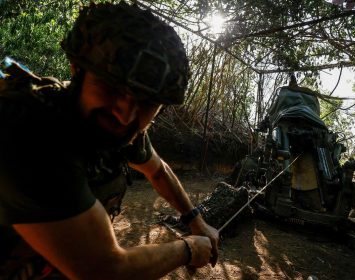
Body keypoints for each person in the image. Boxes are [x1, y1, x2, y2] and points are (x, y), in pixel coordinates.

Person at [0, 2, 219, 279]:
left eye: (147, 102)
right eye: (111, 88)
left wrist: (195, 220)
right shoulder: (28, 133)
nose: (125, 115)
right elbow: (103, 270)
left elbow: (158, 170)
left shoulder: (118, 129)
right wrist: (187, 249)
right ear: (76, 70)